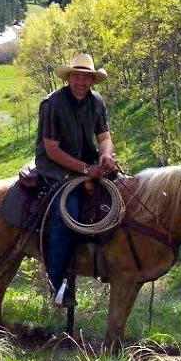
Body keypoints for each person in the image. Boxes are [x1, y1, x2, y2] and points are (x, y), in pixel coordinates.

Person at [36, 52, 117, 306]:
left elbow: (104, 137)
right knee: (67, 212)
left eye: (86, 78)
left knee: (123, 194)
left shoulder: (96, 102)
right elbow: (52, 149)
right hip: (55, 166)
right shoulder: (52, 104)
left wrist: (105, 157)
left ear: (92, 81)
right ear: (69, 77)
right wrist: (85, 169)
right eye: (77, 76)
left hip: (88, 163)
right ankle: (57, 284)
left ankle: (114, 263)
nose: (81, 82)